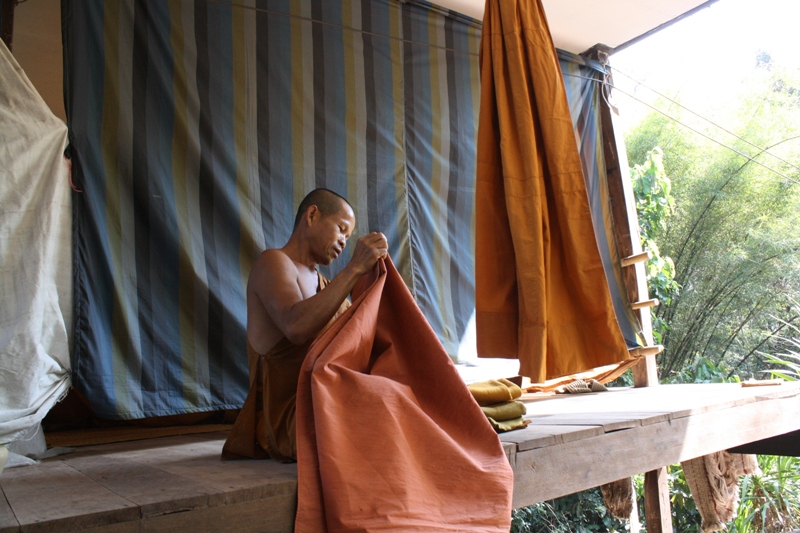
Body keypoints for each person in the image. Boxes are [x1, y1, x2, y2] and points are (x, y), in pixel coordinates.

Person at [222, 188, 388, 462]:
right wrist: (355, 268)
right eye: (341, 229)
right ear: (312, 215)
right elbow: (296, 327)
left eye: (348, 237)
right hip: (291, 419)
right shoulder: (274, 262)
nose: (344, 242)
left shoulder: (326, 286)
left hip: (331, 399)